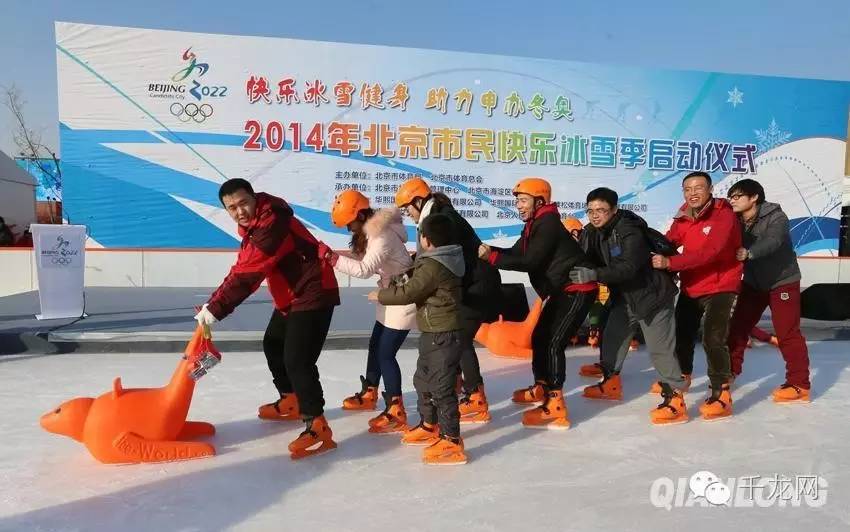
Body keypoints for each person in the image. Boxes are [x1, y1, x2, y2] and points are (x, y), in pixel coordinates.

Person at [194, 178, 340, 459]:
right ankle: (291, 400)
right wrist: (212, 303)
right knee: (273, 343)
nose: (239, 211)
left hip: (313, 292)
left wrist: (215, 309)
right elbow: (241, 268)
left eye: (243, 203)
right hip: (292, 295)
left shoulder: (272, 225)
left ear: (255, 198)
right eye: (232, 208)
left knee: (298, 360)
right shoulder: (256, 227)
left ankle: (317, 425)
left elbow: (248, 276)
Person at [479, 177, 596, 429]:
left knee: (553, 342)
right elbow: (516, 252)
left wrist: (492, 257)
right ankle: (542, 387)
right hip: (561, 290)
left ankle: (556, 403)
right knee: (540, 337)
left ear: (539, 200)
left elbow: (529, 261)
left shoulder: (548, 224)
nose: (519, 206)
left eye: (523, 200)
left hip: (577, 289)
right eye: (518, 201)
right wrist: (488, 251)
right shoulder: (536, 223)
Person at [570, 188, 689, 424]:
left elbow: (628, 266)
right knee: (613, 338)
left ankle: (675, 398)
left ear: (614, 210)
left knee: (659, 349)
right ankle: (610, 383)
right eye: (590, 210)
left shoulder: (628, 230)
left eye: (601, 210)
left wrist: (593, 274)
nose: (595, 215)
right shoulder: (593, 232)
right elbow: (582, 257)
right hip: (625, 298)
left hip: (652, 297)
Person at [395, 177, 501, 424]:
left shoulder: (443, 219)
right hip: (471, 284)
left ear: (419, 201)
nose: (408, 214)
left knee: (460, 338)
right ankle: (460, 387)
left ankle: (475, 396)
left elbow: (446, 260)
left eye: (407, 208)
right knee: (456, 338)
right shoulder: (438, 214)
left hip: (478, 286)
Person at [369, 213, 467, 465]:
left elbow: (411, 291)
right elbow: (413, 278)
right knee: (423, 379)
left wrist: (382, 295)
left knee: (442, 387)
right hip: (432, 331)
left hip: (442, 333)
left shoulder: (435, 266)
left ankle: (451, 439)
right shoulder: (436, 260)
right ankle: (428, 424)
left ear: (427, 240)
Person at [319, 189, 416, 432]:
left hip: (403, 296)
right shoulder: (373, 233)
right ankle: (370, 391)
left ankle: (396, 409)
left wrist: (332, 258)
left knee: (386, 353)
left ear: (360, 216)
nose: (348, 229)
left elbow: (364, 270)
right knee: (376, 344)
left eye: (349, 223)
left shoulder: (381, 236)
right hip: (390, 293)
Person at [651, 171, 742, 421]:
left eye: (698, 188)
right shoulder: (683, 215)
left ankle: (721, 393)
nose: (692, 193)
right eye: (687, 189)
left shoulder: (724, 215)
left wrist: (670, 262)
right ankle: (682, 378)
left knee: (713, 338)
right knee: (681, 335)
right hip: (693, 285)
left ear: (710, 189)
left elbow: (710, 252)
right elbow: (669, 242)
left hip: (722, 284)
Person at [725, 179, 811, 402]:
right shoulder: (734, 218)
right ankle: (729, 372)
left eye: (737, 196)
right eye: (731, 196)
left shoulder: (776, 217)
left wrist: (749, 253)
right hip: (754, 282)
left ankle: (799, 383)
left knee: (787, 333)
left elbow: (773, 240)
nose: (732, 200)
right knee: (738, 327)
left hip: (782, 282)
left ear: (754, 198)